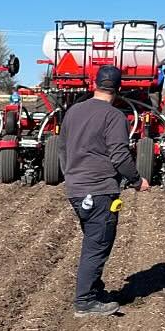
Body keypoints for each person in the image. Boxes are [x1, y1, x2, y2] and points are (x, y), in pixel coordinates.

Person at [58, 64, 150, 317]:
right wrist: (137, 181)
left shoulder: (73, 111)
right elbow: (120, 155)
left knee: (94, 240)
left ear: (94, 84)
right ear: (119, 88)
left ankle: (95, 290)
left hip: (76, 189)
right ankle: (85, 302)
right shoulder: (114, 116)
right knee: (97, 245)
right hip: (99, 190)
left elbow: (62, 148)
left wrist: (71, 176)